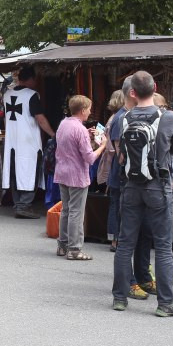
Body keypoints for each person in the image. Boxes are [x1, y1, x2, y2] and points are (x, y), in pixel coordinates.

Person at [111, 70, 173, 317]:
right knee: (163, 247)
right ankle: (166, 304)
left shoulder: (124, 117)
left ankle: (120, 298)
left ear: (132, 92)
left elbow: (122, 155)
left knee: (125, 245)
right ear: (155, 88)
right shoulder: (168, 117)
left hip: (131, 186)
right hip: (158, 185)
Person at [54, 95, 106, 260]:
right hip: (76, 174)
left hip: (62, 171)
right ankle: (75, 249)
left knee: (66, 210)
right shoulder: (80, 129)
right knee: (76, 212)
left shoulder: (63, 124)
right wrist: (103, 145)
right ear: (83, 110)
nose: (90, 112)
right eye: (89, 109)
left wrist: (87, 136)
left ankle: (62, 245)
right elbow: (90, 158)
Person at [1, 65, 55, 219]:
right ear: (30, 79)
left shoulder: (7, 94)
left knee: (15, 171)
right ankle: (24, 205)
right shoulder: (32, 95)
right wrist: (53, 134)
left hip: (12, 140)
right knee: (30, 171)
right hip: (28, 141)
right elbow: (40, 118)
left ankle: (19, 203)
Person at [99, 90, 127, 251]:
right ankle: (116, 238)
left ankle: (114, 237)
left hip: (112, 165)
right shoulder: (118, 119)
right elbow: (113, 148)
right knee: (117, 203)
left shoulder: (113, 118)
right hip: (115, 166)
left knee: (115, 203)